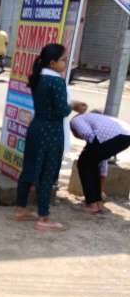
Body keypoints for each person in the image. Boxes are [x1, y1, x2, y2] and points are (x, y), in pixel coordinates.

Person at [13, 43, 86, 232]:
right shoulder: (57, 82)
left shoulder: (38, 78)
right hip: (51, 132)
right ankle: (43, 218)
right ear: (52, 63)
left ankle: (20, 209)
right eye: (63, 60)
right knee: (47, 174)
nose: (65, 63)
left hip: (36, 128)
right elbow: (62, 110)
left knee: (29, 169)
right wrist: (74, 106)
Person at [70, 110, 130, 213]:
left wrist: (87, 150)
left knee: (84, 164)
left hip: (116, 136)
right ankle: (98, 203)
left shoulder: (75, 121)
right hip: (125, 137)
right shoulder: (95, 121)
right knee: (91, 164)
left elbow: (87, 134)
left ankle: (92, 205)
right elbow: (102, 162)